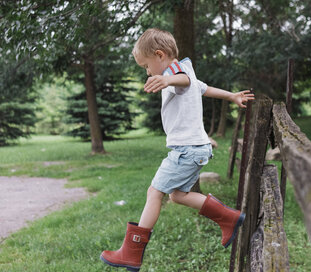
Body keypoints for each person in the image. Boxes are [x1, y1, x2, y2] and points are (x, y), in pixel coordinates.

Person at [100, 28, 255, 271]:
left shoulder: (176, 73)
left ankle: (131, 253)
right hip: (194, 150)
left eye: (146, 66)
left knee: (155, 192)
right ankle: (229, 218)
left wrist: (167, 79)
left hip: (187, 150)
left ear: (160, 55)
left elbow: (183, 80)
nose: (148, 72)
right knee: (178, 195)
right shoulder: (185, 70)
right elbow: (202, 88)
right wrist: (232, 96)